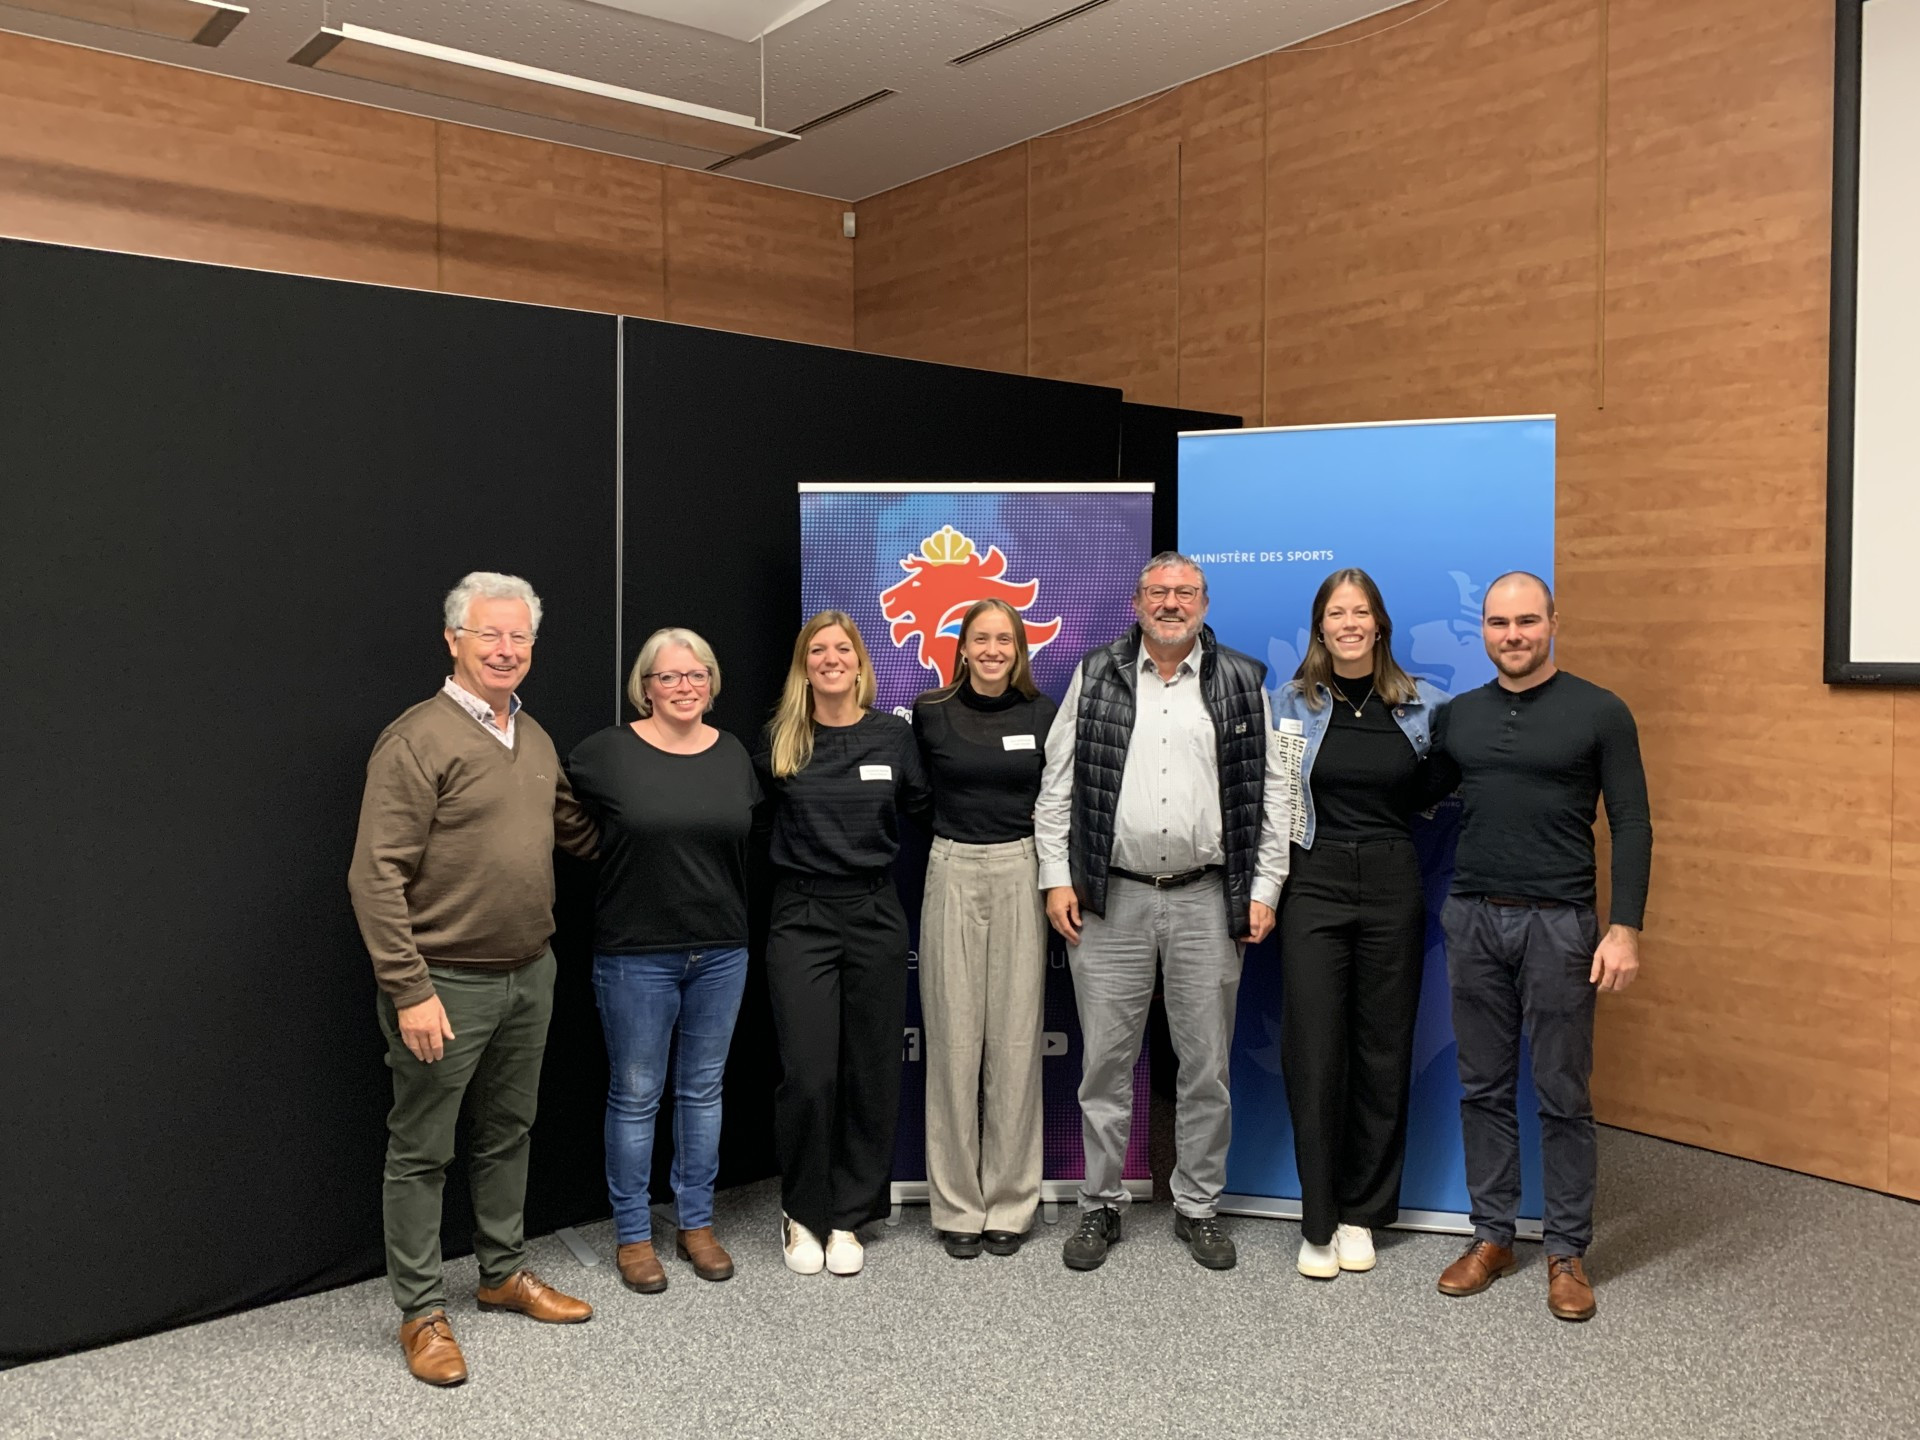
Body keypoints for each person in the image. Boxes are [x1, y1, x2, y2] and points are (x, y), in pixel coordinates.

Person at [348, 571, 599, 1387]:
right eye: (489, 634)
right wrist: (409, 988)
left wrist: (672, 817)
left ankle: (501, 1274)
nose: (506, 649)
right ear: (453, 639)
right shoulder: (416, 739)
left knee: (507, 1133)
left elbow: (578, 833)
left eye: (520, 635)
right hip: (444, 985)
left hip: (531, 973)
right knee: (422, 1151)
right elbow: (375, 876)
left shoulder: (535, 737)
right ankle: (421, 1313)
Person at [1035, 551, 1289, 1272]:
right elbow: (1058, 785)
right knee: (1105, 1067)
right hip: (1110, 898)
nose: (1171, 603)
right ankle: (1100, 1204)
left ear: (1204, 603)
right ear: (1136, 602)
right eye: (1158, 592)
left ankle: (1198, 1206)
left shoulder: (1242, 679)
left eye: (1185, 592)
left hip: (1207, 899)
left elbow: (1271, 791)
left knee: (1205, 1068)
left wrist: (1266, 887)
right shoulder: (1096, 674)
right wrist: (1056, 877)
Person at [1428, 571, 1652, 1323]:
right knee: (1483, 1086)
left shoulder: (1600, 711)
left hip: (1561, 927)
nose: (1513, 635)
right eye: (1499, 623)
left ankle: (1566, 1251)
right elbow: (1409, 791)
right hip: (1473, 919)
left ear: (1554, 622)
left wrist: (1625, 926)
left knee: (1562, 1093)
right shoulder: (1459, 716)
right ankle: (1493, 1236)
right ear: (1484, 631)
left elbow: (1632, 822)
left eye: (1527, 620)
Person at [565, 628, 757, 1294]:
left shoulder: (732, 753)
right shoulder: (607, 753)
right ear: (644, 687)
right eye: (669, 676)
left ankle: (695, 1223)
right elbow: (553, 806)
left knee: (703, 1091)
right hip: (636, 955)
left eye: (696, 674)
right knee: (636, 1095)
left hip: (722, 951)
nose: (684, 686)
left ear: (712, 682)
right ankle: (633, 1235)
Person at [1272, 568, 1450, 1280]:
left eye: (1361, 612)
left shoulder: (1424, 706)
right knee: (1314, 1053)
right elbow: (1269, 805)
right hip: (1312, 883)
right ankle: (1318, 1219)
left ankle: (1361, 1216)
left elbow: (1455, 774)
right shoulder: (1288, 704)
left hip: (1390, 881)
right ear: (1320, 627)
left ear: (1380, 624)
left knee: (1382, 1051)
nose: (1349, 624)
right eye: (1336, 613)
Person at [755, 611, 931, 1278]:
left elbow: (930, 810)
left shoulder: (893, 735)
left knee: (871, 1069)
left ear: (860, 662)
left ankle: (849, 1217)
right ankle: (802, 1212)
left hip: (874, 911)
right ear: (804, 666)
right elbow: (749, 823)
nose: (831, 659)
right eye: (817, 650)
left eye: (842, 649)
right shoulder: (781, 738)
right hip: (800, 914)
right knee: (808, 1073)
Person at [911, 600, 1059, 1260]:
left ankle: (1010, 1202)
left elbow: (1059, 799)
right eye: (981, 638)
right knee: (951, 1041)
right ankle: (956, 1206)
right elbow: (915, 796)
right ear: (963, 646)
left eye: (1005, 639)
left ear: (1019, 649)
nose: (993, 649)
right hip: (951, 866)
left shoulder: (1042, 713)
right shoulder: (931, 712)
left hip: (1022, 869)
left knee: (1017, 1041)